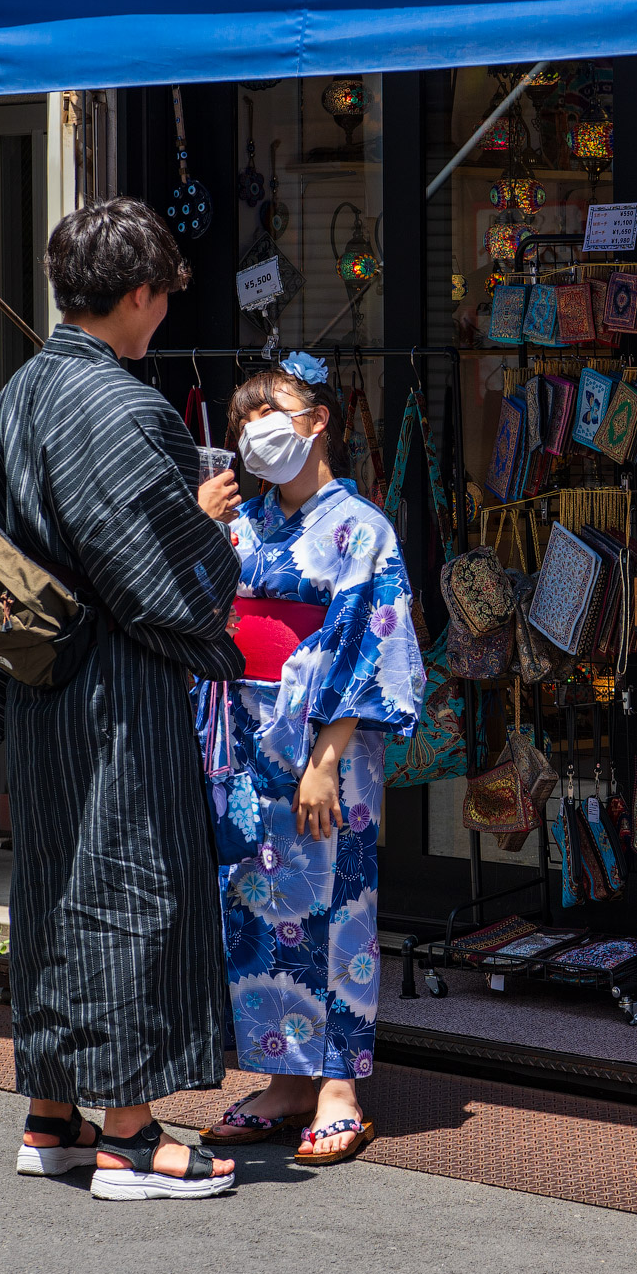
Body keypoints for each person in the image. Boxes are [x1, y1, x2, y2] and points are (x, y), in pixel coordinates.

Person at [0, 197, 248, 1202]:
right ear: (136, 293)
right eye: (163, 294)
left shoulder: (21, 392)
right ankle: (128, 1133)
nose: (165, 311)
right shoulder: (124, 407)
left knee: (51, 887)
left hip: (34, 678)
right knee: (133, 885)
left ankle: (52, 1110)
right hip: (113, 690)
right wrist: (208, 524)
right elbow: (161, 576)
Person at [193, 353, 425, 1164]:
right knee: (257, 909)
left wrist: (326, 757)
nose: (258, 425)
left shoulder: (362, 529)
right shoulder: (241, 521)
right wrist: (198, 519)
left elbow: (374, 649)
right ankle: (281, 1078)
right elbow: (191, 607)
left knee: (336, 909)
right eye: (245, 413)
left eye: (275, 408)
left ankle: (336, 1086)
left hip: (327, 744)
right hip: (245, 740)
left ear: (318, 419)